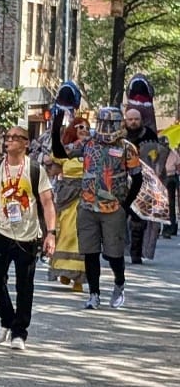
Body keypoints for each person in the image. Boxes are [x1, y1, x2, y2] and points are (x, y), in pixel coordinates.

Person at [0, 126, 57, 350]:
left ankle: (19, 332)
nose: (9, 141)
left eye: (15, 138)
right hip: (1, 232)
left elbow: (47, 203)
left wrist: (51, 233)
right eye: (7, 137)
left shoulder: (35, 170)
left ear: (26, 143)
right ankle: (6, 320)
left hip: (28, 235)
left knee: (24, 285)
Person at [52, 107, 143, 310]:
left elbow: (137, 178)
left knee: (113, 254)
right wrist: (57, 124)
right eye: (103, 123)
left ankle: (119, 282)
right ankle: (94, 294)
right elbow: (61, 152)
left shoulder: (127, 148)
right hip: (87, 206)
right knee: (90, 253)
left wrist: (125, 205)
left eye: (111, 123)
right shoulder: (88, 143)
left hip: (113, 207)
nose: (107, 128)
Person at [47, 116, 89, 292]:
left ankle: (78, 278)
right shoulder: (66, 150)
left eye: (87, 127)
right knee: (65, 234)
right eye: (80, 127)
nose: (84, 130)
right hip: (67, 197)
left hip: (86, 198)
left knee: (82, 237)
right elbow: (53, 168)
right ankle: (64, 271)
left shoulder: (93, 150)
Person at [122, 107, 159, 264]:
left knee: (138, 220)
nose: (133, 122)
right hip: (121, 182)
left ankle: (136, 253)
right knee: (118, 219)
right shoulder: (120, 136)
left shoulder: (149, 135)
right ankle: (114, 251)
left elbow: (156, 156)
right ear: (126, 120)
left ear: (141, 120)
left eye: (136, 119)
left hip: (142, 183)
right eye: (130, 119)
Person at [164, 141, 179, 239]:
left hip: (167, 178)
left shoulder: (158, 153)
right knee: (169, 204)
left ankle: (169, 228)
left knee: (167, 204)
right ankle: (169, 228)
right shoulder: (173, 153)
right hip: (169, 177)